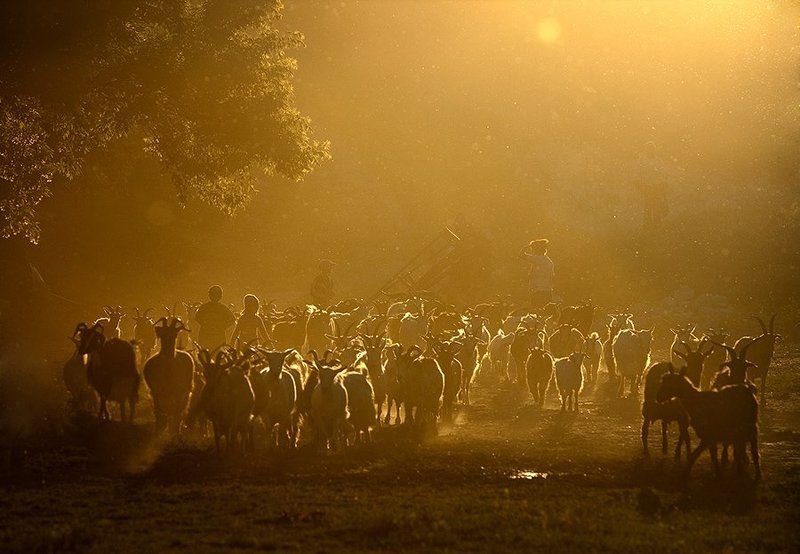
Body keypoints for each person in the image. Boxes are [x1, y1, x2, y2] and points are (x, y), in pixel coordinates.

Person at [194, 285, 236, 349]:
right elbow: (197, 317)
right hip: (210, 336)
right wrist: (222, 326)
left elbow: (232, 319)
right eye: (213, 294)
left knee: (209, 355)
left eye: (216, 295)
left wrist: (206, 325)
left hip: (211, 336)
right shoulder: (221, 308)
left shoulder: (206, 307)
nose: (214, 296)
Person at [520, 239, 554, 309]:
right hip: (547, 291)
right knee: (546, 313)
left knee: (537, 311)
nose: (532, 252)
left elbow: (521, 255)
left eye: (532, 249)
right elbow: (552, 277)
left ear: (536, 250)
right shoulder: (549, 261)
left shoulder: (538, 259)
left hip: (538, 291)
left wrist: (526, 247)